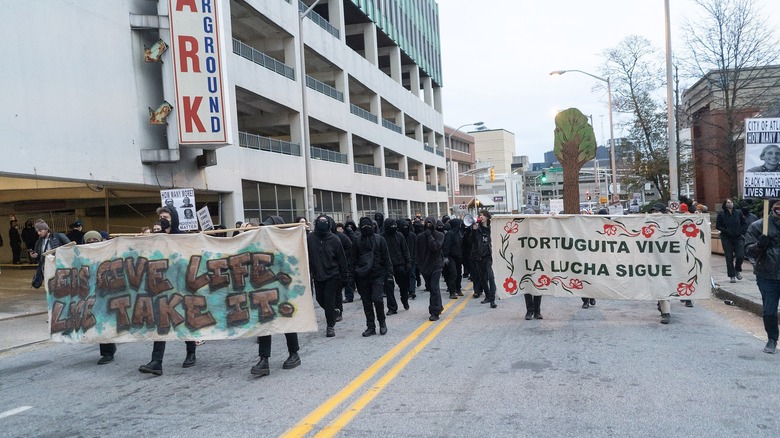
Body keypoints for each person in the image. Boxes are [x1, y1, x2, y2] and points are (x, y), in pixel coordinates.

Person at [138, 206, 197, 376]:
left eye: (167, 216)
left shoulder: (181, 236)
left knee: (184, 318)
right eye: (161, 216)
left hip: (181, 284)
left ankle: (191, 351)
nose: (163, 219)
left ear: (174, 219)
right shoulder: (157, 238)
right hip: (161, 285)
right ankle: (157, 361)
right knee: (161, 320)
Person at [744, 199, 780, 354]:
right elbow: (748, 251)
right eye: (777, 206)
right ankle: (772, 338)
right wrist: (759, 245)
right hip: (767, 274)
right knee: (770, 311)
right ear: (772, 207)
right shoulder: (758, 226)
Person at [307, 214, 348, 338]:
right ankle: (333, 312)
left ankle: (330, 326)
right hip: (318, 275)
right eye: (320, 221)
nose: (322, 223)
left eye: (325, 221)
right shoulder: (310, 238)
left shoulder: (335, 239)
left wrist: (345, 275)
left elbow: (342, 259)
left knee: (329, 300)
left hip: (332, 275)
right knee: (320, 299)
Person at [81, 230, 118, 364]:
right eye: (89, 241)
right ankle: (108, 349)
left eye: (94, 240)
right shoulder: (82, 254)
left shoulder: (107, 252)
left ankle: (108, 352)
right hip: (90, 293)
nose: (92, 243)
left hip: (107, 291)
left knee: (103, 320)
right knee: (97, 320)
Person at [352, 217, 392, 336]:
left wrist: (389, 275)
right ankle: (371, 326)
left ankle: (382, 322)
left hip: (377, 275)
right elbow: (353, 260)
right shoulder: (357, 241)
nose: (366, 228)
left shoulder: (380, 240)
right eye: (363, 226)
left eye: (368, 226)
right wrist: (351, 277)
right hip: (362, 277)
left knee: (377, 299)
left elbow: (386, 258)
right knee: (366, 302)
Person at [417, 215, 446, 320]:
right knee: (432, 288)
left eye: (430, 224)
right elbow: (418, 252)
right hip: (425, 266)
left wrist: (429, 236)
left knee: (434, 288)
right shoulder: (420, 237)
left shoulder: (440, 235)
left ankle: (434, 312)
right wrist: (419, 266)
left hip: (436, 265)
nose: (428, 226)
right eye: (427, 224)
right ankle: (439, 306)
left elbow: (435, 247)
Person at [469, 210, 498, 310]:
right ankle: (487, 296)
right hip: (478, 256)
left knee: (491, 277)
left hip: (489, 256)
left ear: (487, 217)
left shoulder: (491, 228)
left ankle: (492, 299)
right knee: (482, 278)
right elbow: (471, 240)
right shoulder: (477, 228)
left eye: (483, 215)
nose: (481, 217)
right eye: (480, 215)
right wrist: (473, 230)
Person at [29, 220, 71, 288]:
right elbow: (38, 257)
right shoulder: (38, 242)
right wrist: (34, 256)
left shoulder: (59, 236)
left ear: (46, 229)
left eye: (40, 230)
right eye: (37, 231)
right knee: (50, 287)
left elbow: (70, 247)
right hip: (47, 269)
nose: (39, 233)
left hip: (60, 267)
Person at [382, 218, 411, 314]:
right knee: (389, 287)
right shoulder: (382, 237)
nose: (393, 228)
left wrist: (408, 263)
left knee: (403, 286)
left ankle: (405, 300)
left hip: (399, 265)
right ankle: (392, 307)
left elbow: (405, 250)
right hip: (387, 267)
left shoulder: (399, 235)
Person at [650, 203, 672, 324]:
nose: (654, 215)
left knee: (664, 284)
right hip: (653, 259)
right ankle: (663, 307)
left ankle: (666, 312)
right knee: (659, 284)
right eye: (653, 212)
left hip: (668, 260)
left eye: (657, 212)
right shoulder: (648, 224)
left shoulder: (671, 224)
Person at [716, 198, 747, 283]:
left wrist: (740, 231)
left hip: (738, 237)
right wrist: (726, 231)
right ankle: (732, 275)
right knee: (729, 257)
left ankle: (737, 269)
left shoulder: (738, 212)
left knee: (740, 255)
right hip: (726, 238)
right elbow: (718, 226)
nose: (730, 204)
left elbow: (744, 223)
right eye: (728, 202)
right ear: (725, 204)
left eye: (731, 202)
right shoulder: (721, 214)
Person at [442, 218, 464, 299]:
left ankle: (458, 289)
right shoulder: (450, 234)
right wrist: (445, 257)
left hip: (458, 257)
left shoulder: (459, 233)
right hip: (451, 257)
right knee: (453, 274)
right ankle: (452, 292)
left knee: (459, 274)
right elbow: (446, 245)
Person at [400, 219, 418, 300]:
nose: (405, 228)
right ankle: (407, 290)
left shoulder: (413, 236)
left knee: (412, 274)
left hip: (412, 258)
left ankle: (412, 291)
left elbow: (416, 247)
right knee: (404, 275)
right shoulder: (399, 236)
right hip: (402, 260)